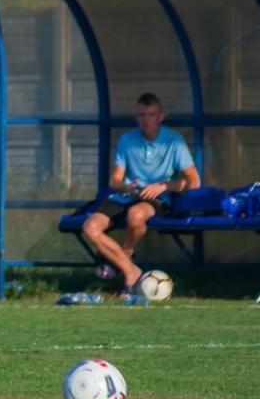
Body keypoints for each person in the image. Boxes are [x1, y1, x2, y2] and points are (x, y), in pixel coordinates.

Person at [79, 93, 200, 292]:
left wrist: (162, 186)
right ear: (136, 117)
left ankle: (127, 251)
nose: (146, 119)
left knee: (136, 215)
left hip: (156, 198)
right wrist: (126, 187)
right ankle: (131, 270)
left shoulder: (174, 141)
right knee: (90, 227)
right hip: (126, 195)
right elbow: (115, 180)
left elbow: (194, 181)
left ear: (161, 116)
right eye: (142, 115)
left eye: (151, 114)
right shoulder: (127, 139)